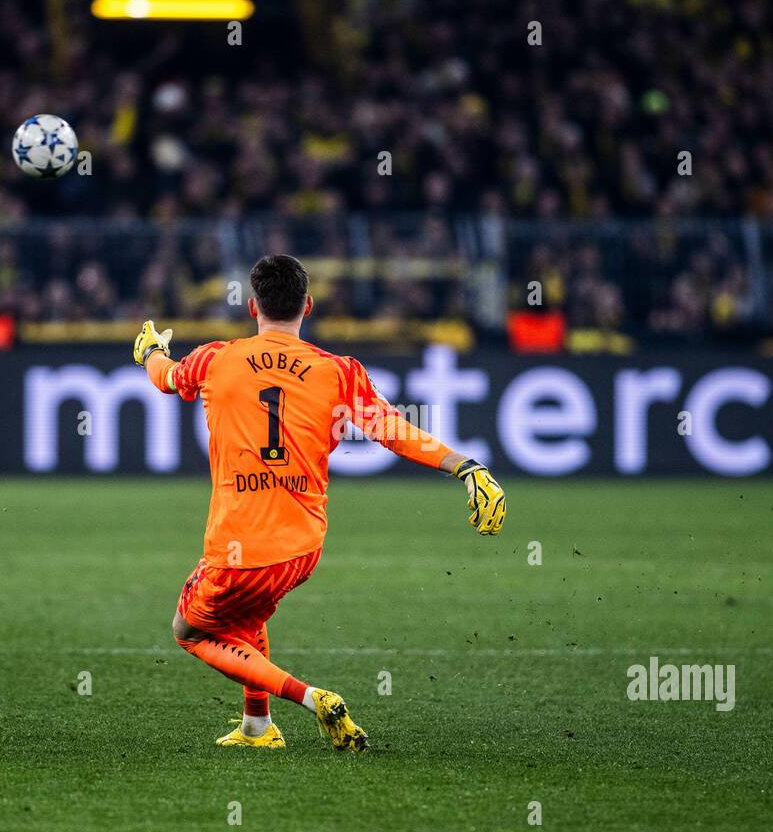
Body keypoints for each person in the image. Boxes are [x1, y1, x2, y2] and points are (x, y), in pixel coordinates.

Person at [134, 254, 506, 751]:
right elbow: (392, 431)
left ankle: (312, 699)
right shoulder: (338, 372)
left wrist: (150, 352)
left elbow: (166, 376)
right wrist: (465, 465)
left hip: (237, 547)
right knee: (249, 618)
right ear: (307, 306)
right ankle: (257, 728)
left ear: (251, 307)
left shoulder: (215, 358)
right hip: (302, 548)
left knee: (190, 631)